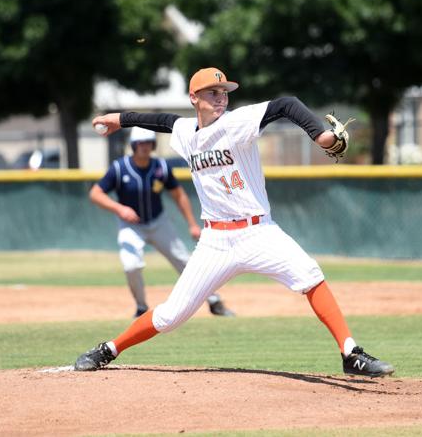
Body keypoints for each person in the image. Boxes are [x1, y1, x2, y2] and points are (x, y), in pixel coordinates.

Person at [75, 67, 394, 378]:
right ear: (193, 98)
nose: (221, 97)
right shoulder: (186, 132)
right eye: (212, 92)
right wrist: (117, 119)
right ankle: (109, 349)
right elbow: (159, 121)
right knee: (171, 316)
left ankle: (351, 353)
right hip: (215, 242)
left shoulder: (238, 123)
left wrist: (320, 134)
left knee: (310, 275)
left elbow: (286, 104)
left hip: (259, 233)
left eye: (224, 92)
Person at [91, 126, 235, 318]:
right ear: (133, 145)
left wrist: (192, 223)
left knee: (185, 262)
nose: (144, 147)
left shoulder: (161, 167)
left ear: (153, 145)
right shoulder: (119, 168)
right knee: (131, 265)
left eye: (148, 143)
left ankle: (214, 301)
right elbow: (95, 193)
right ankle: (141, 308)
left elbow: (179, 195)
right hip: (131, 227)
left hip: (158, 223)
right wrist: (120, 208)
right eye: (140, 143)